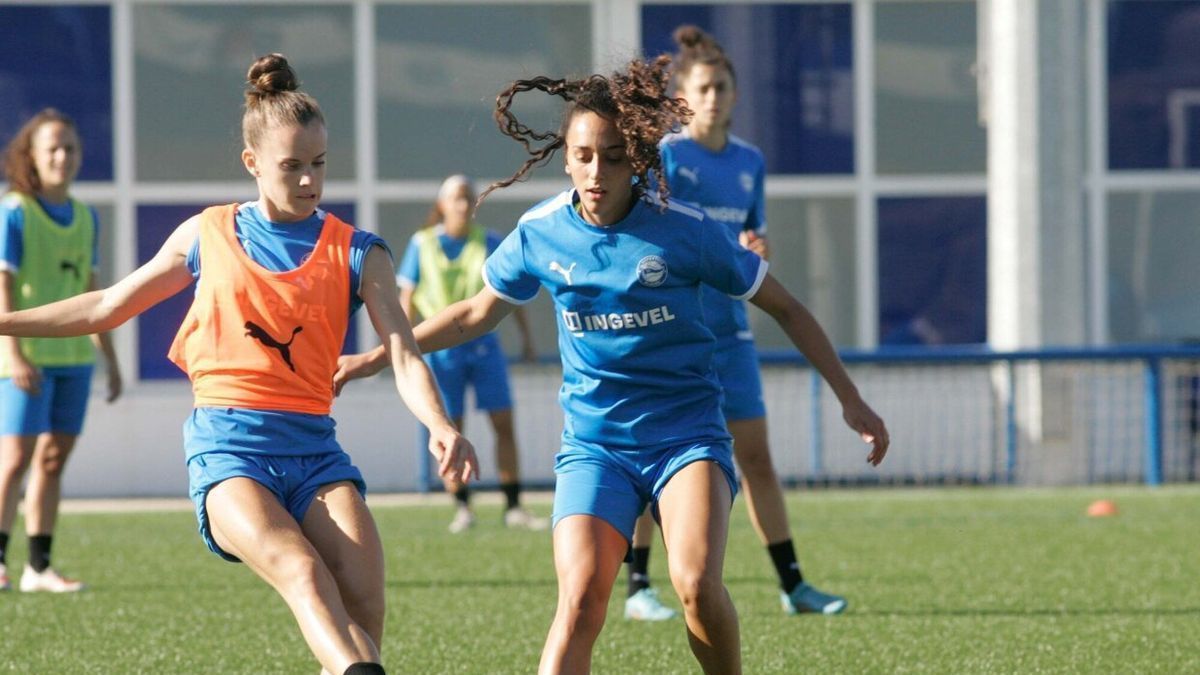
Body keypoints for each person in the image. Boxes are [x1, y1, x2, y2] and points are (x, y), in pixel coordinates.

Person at [337, 55, 888, 674]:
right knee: (579, 603)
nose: (598, 171)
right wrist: (376, 357)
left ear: (639, 160)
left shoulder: (686, 231)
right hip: (596, 446)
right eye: (585, 155)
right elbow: (472, 313)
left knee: (696, 586)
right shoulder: (540, 232)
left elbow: (787, 308)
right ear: (566, 158)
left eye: (615, 156)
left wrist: (850, 397)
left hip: (688, 439)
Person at [0, 55, 476, 675]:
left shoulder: (362, 252)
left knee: (362, 598)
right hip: (229, 452)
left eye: (320, 164)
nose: (309, 181)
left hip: (316, 454)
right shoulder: (207, 233)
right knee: (302, 570)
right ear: (253, 164)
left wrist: (440, 424)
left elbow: (406, 356)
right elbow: (109, 305)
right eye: (292, 167)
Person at [623, 25, 853, 621]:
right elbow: (652, 236)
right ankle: (639, 588)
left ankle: (795, 584)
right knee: (657, 457)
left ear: (735, 93)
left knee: (757, 458)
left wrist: (758, 246)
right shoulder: (668, 157)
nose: (714, 97)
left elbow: (752, 237)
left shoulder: (750, 161)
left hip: (730, 330)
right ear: (685, 95)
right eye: (703, 88)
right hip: (672, 332)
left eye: (722, 87)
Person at [0, 108, 123, 593]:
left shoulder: (86, 217)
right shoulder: (15, 212)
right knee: (14, 460)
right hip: (25, 361)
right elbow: (3, 288)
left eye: (70, 147)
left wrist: (109, 360)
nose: (62, 157)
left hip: (74, 362)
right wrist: (14, 355)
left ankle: (38, 567)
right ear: (31, 155)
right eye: (51, 147)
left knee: (53, 461)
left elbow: (95, 293)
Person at [395, 174, 546, 533]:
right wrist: (402, 345)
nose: (464, 204)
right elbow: (406, 301)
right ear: (442, 205)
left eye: (470, 198)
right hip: (441, 351)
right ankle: (462, 506)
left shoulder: (489, 241)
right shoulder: (422, 244)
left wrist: (525, 338)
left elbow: (511, 294)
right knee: (450, 427)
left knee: (503, 423)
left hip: (483, 346)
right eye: (457, 198)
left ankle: (513, 505)